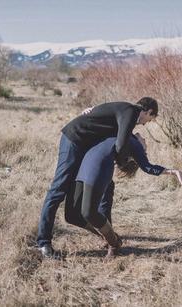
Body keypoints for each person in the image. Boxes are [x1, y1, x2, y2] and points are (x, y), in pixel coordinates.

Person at [37, 98, 159, 258]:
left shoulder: (125, 111)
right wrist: (123, 163)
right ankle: (44, 243)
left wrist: (92, 109)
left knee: (107, 185)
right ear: (148, 111)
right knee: (58, 190)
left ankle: (107, 234)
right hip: (74, 139)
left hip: (87, 147)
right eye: (149, 119)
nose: (144, 124)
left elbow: (108, 118)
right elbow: (121, 145)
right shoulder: (131, 112)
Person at [64, 134, 182, 258]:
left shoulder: (134, 143)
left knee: (88, 213)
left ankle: (114, 243)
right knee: (71, 216)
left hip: (96, 169)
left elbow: (147, 167)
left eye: (145, 147)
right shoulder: (122, 131)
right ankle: (107, 235)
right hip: (83, 165)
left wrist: (173, 172)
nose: (145, 140)